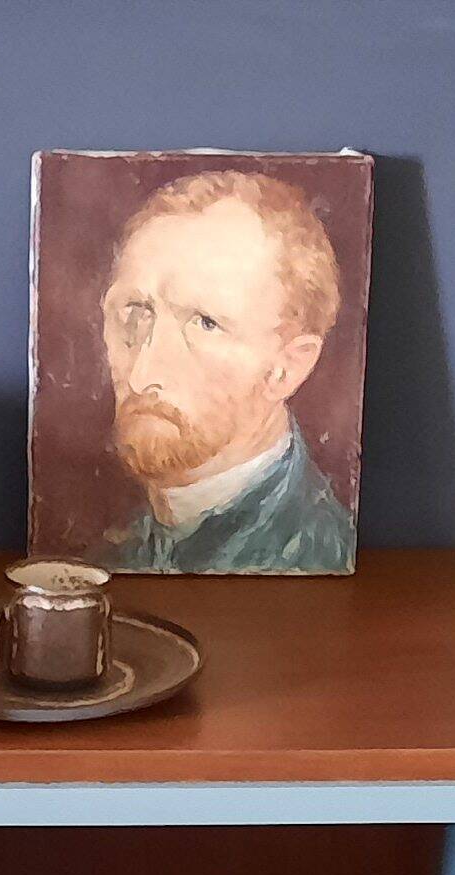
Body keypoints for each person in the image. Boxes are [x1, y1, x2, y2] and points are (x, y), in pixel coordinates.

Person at [93, 168, 357, 574]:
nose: (142, 375)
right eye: (134, 313)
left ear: (286, 368)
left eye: (205, 323)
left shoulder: (313, 555)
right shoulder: (114, 550)